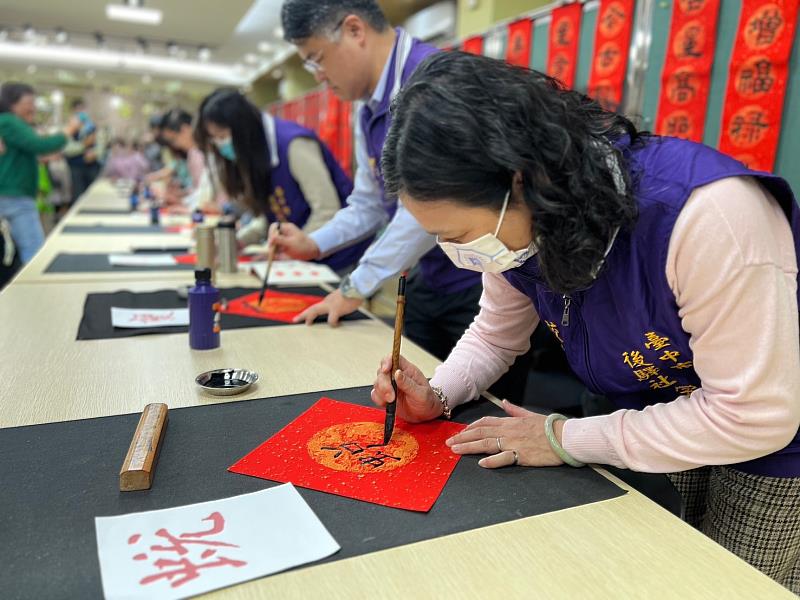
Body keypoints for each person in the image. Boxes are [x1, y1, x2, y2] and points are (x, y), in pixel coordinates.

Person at [371, 51, 800, 591]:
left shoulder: (709, 218)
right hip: (664, 408)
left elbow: (755, 416)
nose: (455, 252)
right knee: (661, 568)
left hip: (773, 435)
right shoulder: (527, 224)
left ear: (520, 181)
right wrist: (438, 393)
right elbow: (496, 333)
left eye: (458, 235)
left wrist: (563, 438)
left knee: (733, 582)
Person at [276, 0, 533, 402]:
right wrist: (315, 243)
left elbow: (423, 216)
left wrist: (355, 285)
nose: (319, 76)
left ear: (355, 30)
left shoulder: (437, 84)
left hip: (482, 279)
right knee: (411, 398)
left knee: (484, 416)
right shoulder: (366, 109)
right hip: (424, 278)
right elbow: (368, 202)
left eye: (317, 59)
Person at [194, 87, 369, 270]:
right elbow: (273, 212)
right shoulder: (259, 152)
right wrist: (240, 241)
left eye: (222, 137)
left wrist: (295, 249)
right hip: (303, 259)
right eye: (215, 139)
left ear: (242, 129)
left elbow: (327, 210)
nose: (221, 145)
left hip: (339, 257)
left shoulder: (294, 144)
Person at [0, 82, 80, 262]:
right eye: (29, 102)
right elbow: (40, 145)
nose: (33, 107)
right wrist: (69, 130)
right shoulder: (9, 121)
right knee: (34, 252)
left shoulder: (7, 123)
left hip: (12, 193)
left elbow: (17, 153)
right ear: (13, 103)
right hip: (15, 195)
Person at [63, 98, 99, 204]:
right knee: (78, 195)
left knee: (93, 195)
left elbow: (99, 145)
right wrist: (84, 146)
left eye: (82, 109)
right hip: (76, 166)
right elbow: (67, 149)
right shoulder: (68, 128)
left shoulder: (91, 126)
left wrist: (95, 153)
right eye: (77, 110)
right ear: (72, 111)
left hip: (92, 166)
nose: (80, 112)